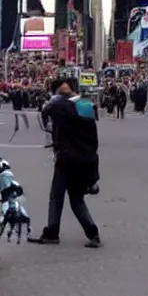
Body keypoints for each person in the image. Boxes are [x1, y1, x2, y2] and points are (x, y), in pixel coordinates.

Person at [29, 77, 101, 248]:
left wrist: (56, 98)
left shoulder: (59, 106)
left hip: (67, 158)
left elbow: (46, 114)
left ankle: (52, 233)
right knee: (76, 198)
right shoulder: (86, 106)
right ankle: (93, 233)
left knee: (56, 196)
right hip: (86, 158)